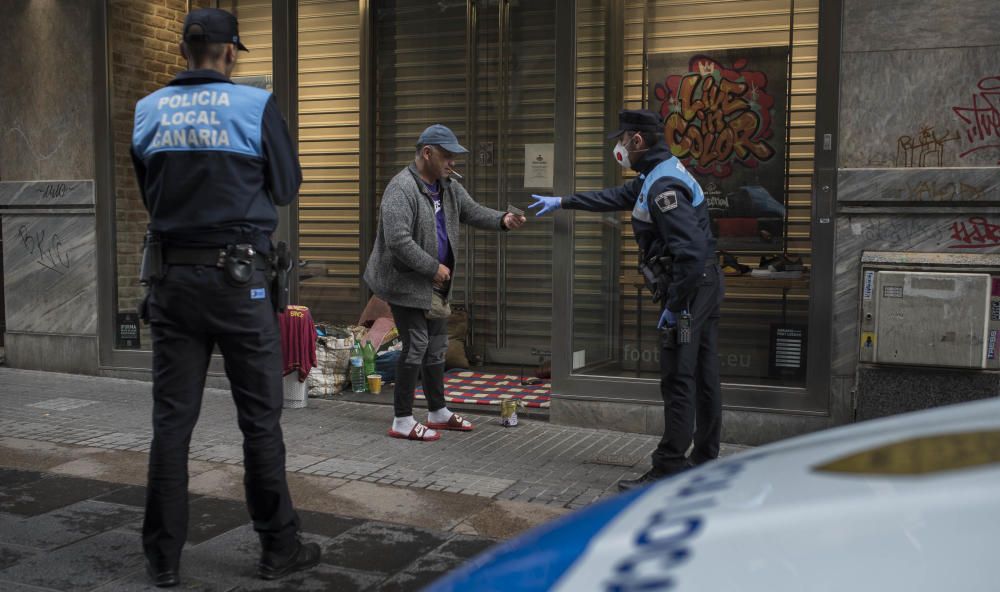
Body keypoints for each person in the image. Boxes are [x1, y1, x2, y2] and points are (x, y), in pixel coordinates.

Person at [130, 8, 319, 587]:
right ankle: (277, 548)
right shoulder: (252, 107)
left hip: (173, 282)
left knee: (171, 423)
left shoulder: (147, 110)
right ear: (230, 52)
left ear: (185, 51)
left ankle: (163, 559)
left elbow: (150, 193)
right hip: (241, 283)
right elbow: (286, 187)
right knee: (260, 421)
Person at [529, 109, 724, 491]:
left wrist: (674, 305)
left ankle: (669, 468)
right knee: (703, 374)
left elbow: (692, 250)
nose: (618, 147)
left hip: (690, 288)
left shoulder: (664, 186)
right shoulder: (658, 173)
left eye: (621, 140)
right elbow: (617, 196)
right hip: (701, 286)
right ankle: (704, 459)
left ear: (637, 140)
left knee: (679, 378)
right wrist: (565, 201)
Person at [364, 124, 527, 441]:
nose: (452, 162)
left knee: (436, 347)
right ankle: (401, 419)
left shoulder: (448, 186)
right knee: (417, 347)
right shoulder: (402, 188)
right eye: (447, 156)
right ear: (427, 153)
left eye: (454, 157)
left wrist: (502, 220)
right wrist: (431, 267)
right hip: (405, 282)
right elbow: (398, 240)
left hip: (435, 284)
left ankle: (437, 411)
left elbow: (471, 211)